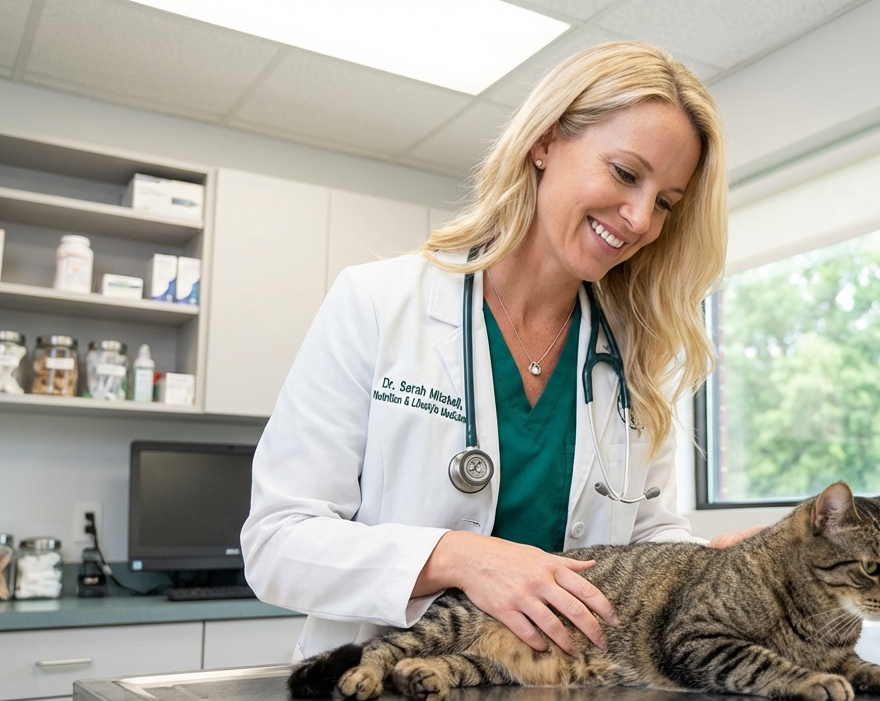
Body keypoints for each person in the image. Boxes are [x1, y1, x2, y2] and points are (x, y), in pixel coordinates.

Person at [242, 41, 762, 662]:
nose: (639, 219)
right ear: (545, 141)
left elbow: (646, 539)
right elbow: (277, 544)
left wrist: (716, 570)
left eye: (666, 203)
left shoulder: (632, 355)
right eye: (625, 173)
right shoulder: (379, 304)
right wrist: (460, 558)